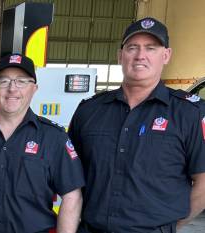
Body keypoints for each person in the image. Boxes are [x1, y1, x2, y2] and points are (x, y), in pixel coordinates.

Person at [68, 17, 205, 233]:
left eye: (151, 48)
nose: (140, 55)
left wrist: (170, 226)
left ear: (166, 55)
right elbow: (70, 177)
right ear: (120, 55)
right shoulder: (89, 111)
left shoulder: (191, 113)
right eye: (132, 47)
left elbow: (204, 182)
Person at [0, 54, 84, 233]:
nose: (12, 88)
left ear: (34, 88)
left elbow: (72, 196)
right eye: (4, 81)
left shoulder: (54, 137)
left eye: (21, 81)